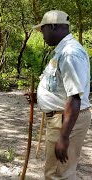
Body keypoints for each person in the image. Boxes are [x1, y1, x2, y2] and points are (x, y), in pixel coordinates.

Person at [30, 10, 91, 179]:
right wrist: (40, 97)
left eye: (43, 30)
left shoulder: (70, 53)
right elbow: (63, 87)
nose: (42, 35)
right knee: (58, 172)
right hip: (60, 118)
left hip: (65, 121)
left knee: (58, 175)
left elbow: (75, 98)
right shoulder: (62, 51)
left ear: (54, 26)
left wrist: (64, 137)